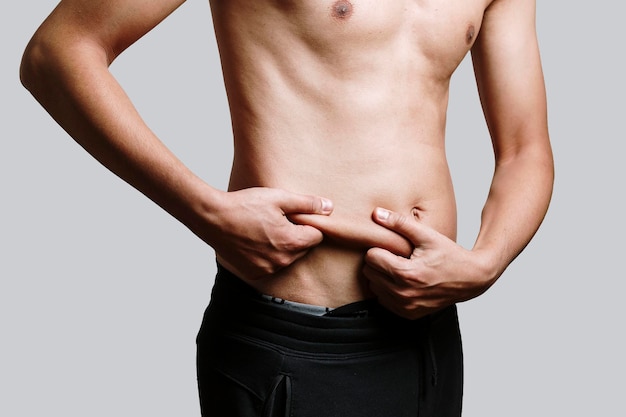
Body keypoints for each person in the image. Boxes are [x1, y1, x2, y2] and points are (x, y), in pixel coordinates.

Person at [20, 0, 553, 416]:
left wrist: (486, 262)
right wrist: (206, 211)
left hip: (428, 337)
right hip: (293, 338)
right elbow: (57, 52)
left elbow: (525, 149)